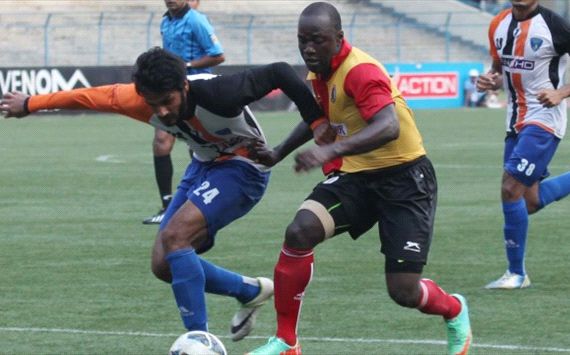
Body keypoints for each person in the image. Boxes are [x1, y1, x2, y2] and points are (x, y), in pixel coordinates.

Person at [0, 47, 326, 341]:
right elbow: (86, 97)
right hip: (203, 166)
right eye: (153, 104)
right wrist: (29, 104)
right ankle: (251, 290)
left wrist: (316, 122)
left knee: (175, 237)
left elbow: (281, 71)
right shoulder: (137, 100)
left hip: (244, 169)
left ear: (183, 87)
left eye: (167, 101)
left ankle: (199, 341)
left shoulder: (221, 92)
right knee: (163, 265)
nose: (163, 112)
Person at [247, 3, 472, 355]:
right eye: (302, 40)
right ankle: (287, 342)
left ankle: (454, 309)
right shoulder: (318, 75)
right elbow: (318, 117)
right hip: (357, 177)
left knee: (403, 292)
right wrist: (278, 151)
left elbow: (388, 125)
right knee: (299, 231)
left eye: (317, 40)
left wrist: (328, 152)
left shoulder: (360, 71)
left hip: (405, 180)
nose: (308, 49)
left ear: (338, 38)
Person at [476, 0, 570, 289]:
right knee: (529, 200)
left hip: (545, 119)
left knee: (510, 188)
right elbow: (499, 67)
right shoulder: (498, 24)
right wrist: (492, 80)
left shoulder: (555, 26)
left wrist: (561, 93)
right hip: (514, 120)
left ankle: (516, 274)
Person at [144, 0, 225, 225]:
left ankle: (202, 205)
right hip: (169, 93)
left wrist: (186, 66)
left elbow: (218, 55)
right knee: (161, 142)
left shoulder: (197, 20)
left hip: (194, 92)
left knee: (199, 148)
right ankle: (166, 205)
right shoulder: (165, 21)